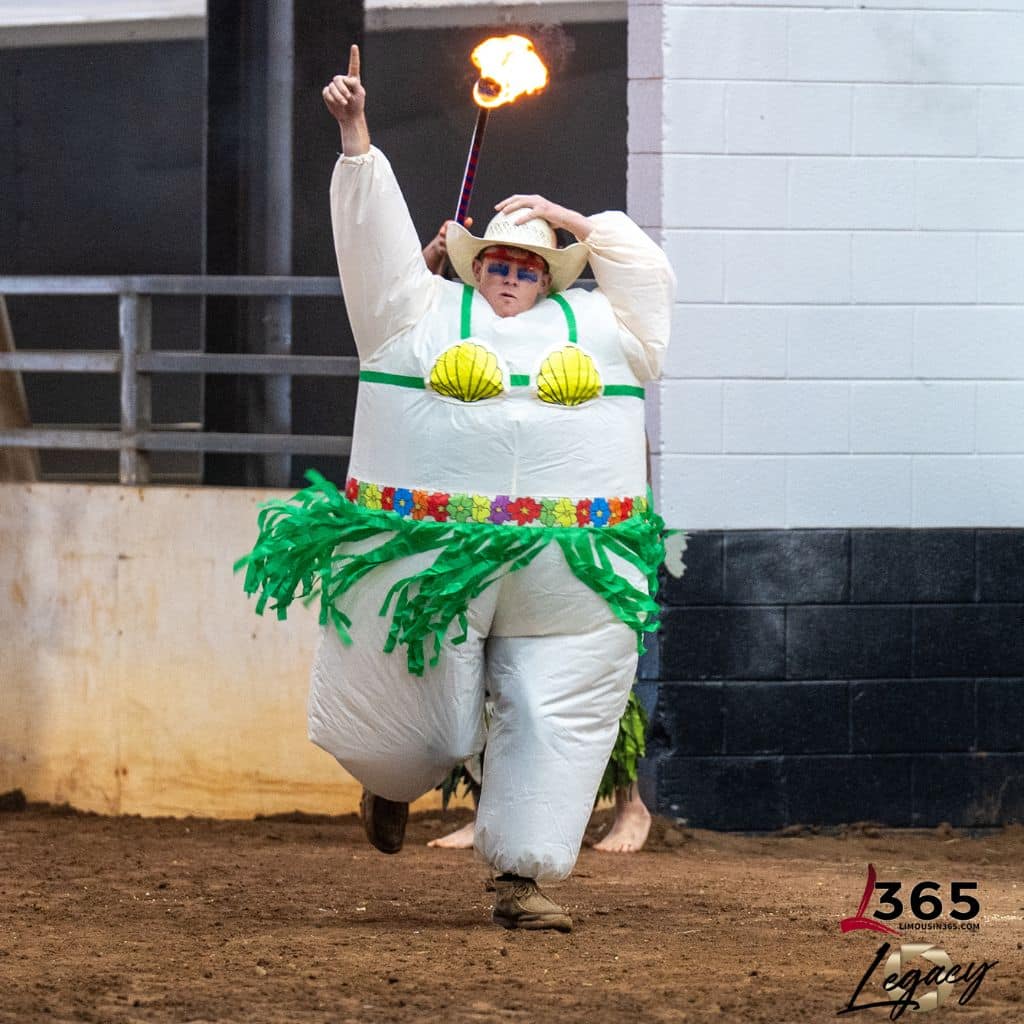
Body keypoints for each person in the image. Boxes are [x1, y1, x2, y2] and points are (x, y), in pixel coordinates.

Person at [239, 45, 674, 933]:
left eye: (528, 266)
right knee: (417, 726)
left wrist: (564, 216)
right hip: (430, 556)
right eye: (498, 263)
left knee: (557, 714)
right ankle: (391, 781)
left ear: (550, 274)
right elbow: (374, 252)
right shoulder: (416, 312)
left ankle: (521, 880)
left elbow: (647, 274)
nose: (511, 276)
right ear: (475, 266)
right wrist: (357, 135)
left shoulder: (608, 328)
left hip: (572, 567)